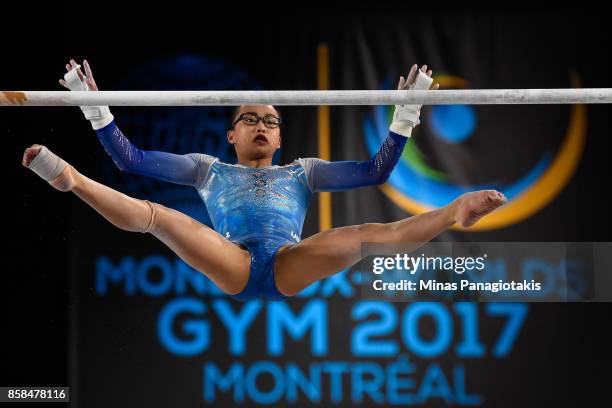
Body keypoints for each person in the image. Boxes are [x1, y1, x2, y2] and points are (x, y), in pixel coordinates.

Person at [23, 59, 507, 301]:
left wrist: (405, 116)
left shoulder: (304, 172)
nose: (262, 125)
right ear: (231, 134)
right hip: (232, 261)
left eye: (272, 121)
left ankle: (453, 211)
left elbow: (375, 171)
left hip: (287, 263)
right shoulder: (206, 169)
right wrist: (95, 108)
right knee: (159, 217)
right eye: (251, 119)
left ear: (280, 139)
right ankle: (74, 180)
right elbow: (131, 160)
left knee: (367, 236)